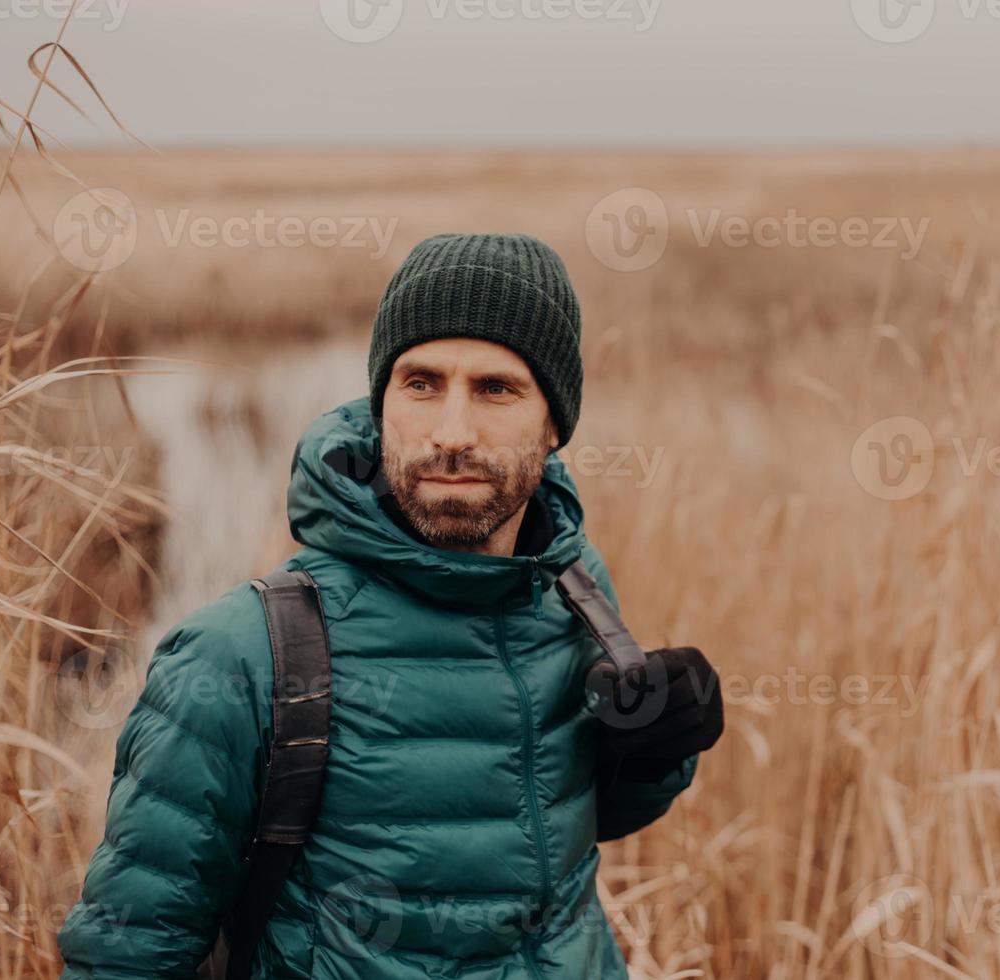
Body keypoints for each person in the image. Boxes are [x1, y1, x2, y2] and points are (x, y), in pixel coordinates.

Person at [57, 232, 725, 978]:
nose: (451, 434)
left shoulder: (571, 588)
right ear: (381, 405)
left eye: (496, 388)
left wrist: (653, 752)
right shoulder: (241, 654)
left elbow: (543, 833)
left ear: (555, 423)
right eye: (421, 383)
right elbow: (126, 953)